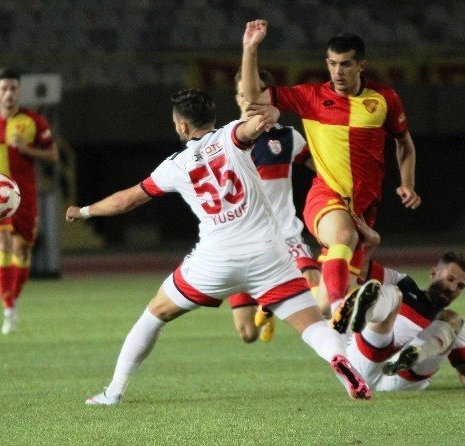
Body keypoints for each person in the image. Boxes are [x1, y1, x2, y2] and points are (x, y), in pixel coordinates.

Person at [66, 89, 371, 404]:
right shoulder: (232, 136)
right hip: (267, 256)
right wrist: (272, 109)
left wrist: (84, 211)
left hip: (215, 261)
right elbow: (258, 123)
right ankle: (339, 360)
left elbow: (125, 200)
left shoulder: (175, 165)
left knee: (154, 314)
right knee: (312, 325)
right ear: (211, 116)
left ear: (182, 127)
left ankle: (113, 392)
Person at [241, 19, 421, 320]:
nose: (338, 71)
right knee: (343, 237)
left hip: (363, 209)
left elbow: (404, 143)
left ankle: (286, 297)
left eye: (346, 64)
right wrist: (250, 49)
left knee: (324, 306)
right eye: (333, 63)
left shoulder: (384, 100)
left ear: (361, 65)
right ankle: (343, 306)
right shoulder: (310, 97)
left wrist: (408, 183)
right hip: (326, 197)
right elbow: (253, 96)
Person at [335, 247, 465, 391]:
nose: (452, 288)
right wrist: (369, 242)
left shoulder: (453, 325)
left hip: (400, 381)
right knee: (392, 292)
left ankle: (412, 355)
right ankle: (364, 313)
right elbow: (359, 267)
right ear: (433, 272)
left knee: (454, 320)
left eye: (460, 286)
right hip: (365, 360)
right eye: (450, 279)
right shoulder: (405, 284)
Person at [228, 68, 322, 344]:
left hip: (284, 234)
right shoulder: (223, 141)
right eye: (244, 94)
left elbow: (321, 167)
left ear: (269, 98)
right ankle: (267, 302)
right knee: (248, 333)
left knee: (315, 283)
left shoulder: (288, 138)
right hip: (240, 242)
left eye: (256, 93)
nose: (250, 99)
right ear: (237, 98)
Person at [0, 67, 59, 334]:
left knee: (22, 251)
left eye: (13, 88)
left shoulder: (34, 122)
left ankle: (12, 301)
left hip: (24, 195)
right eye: (4, 88)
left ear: (19, 91)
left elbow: (52, 155)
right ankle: (7, 309)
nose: (9, 93)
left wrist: (25, 149)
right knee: (3, 244)